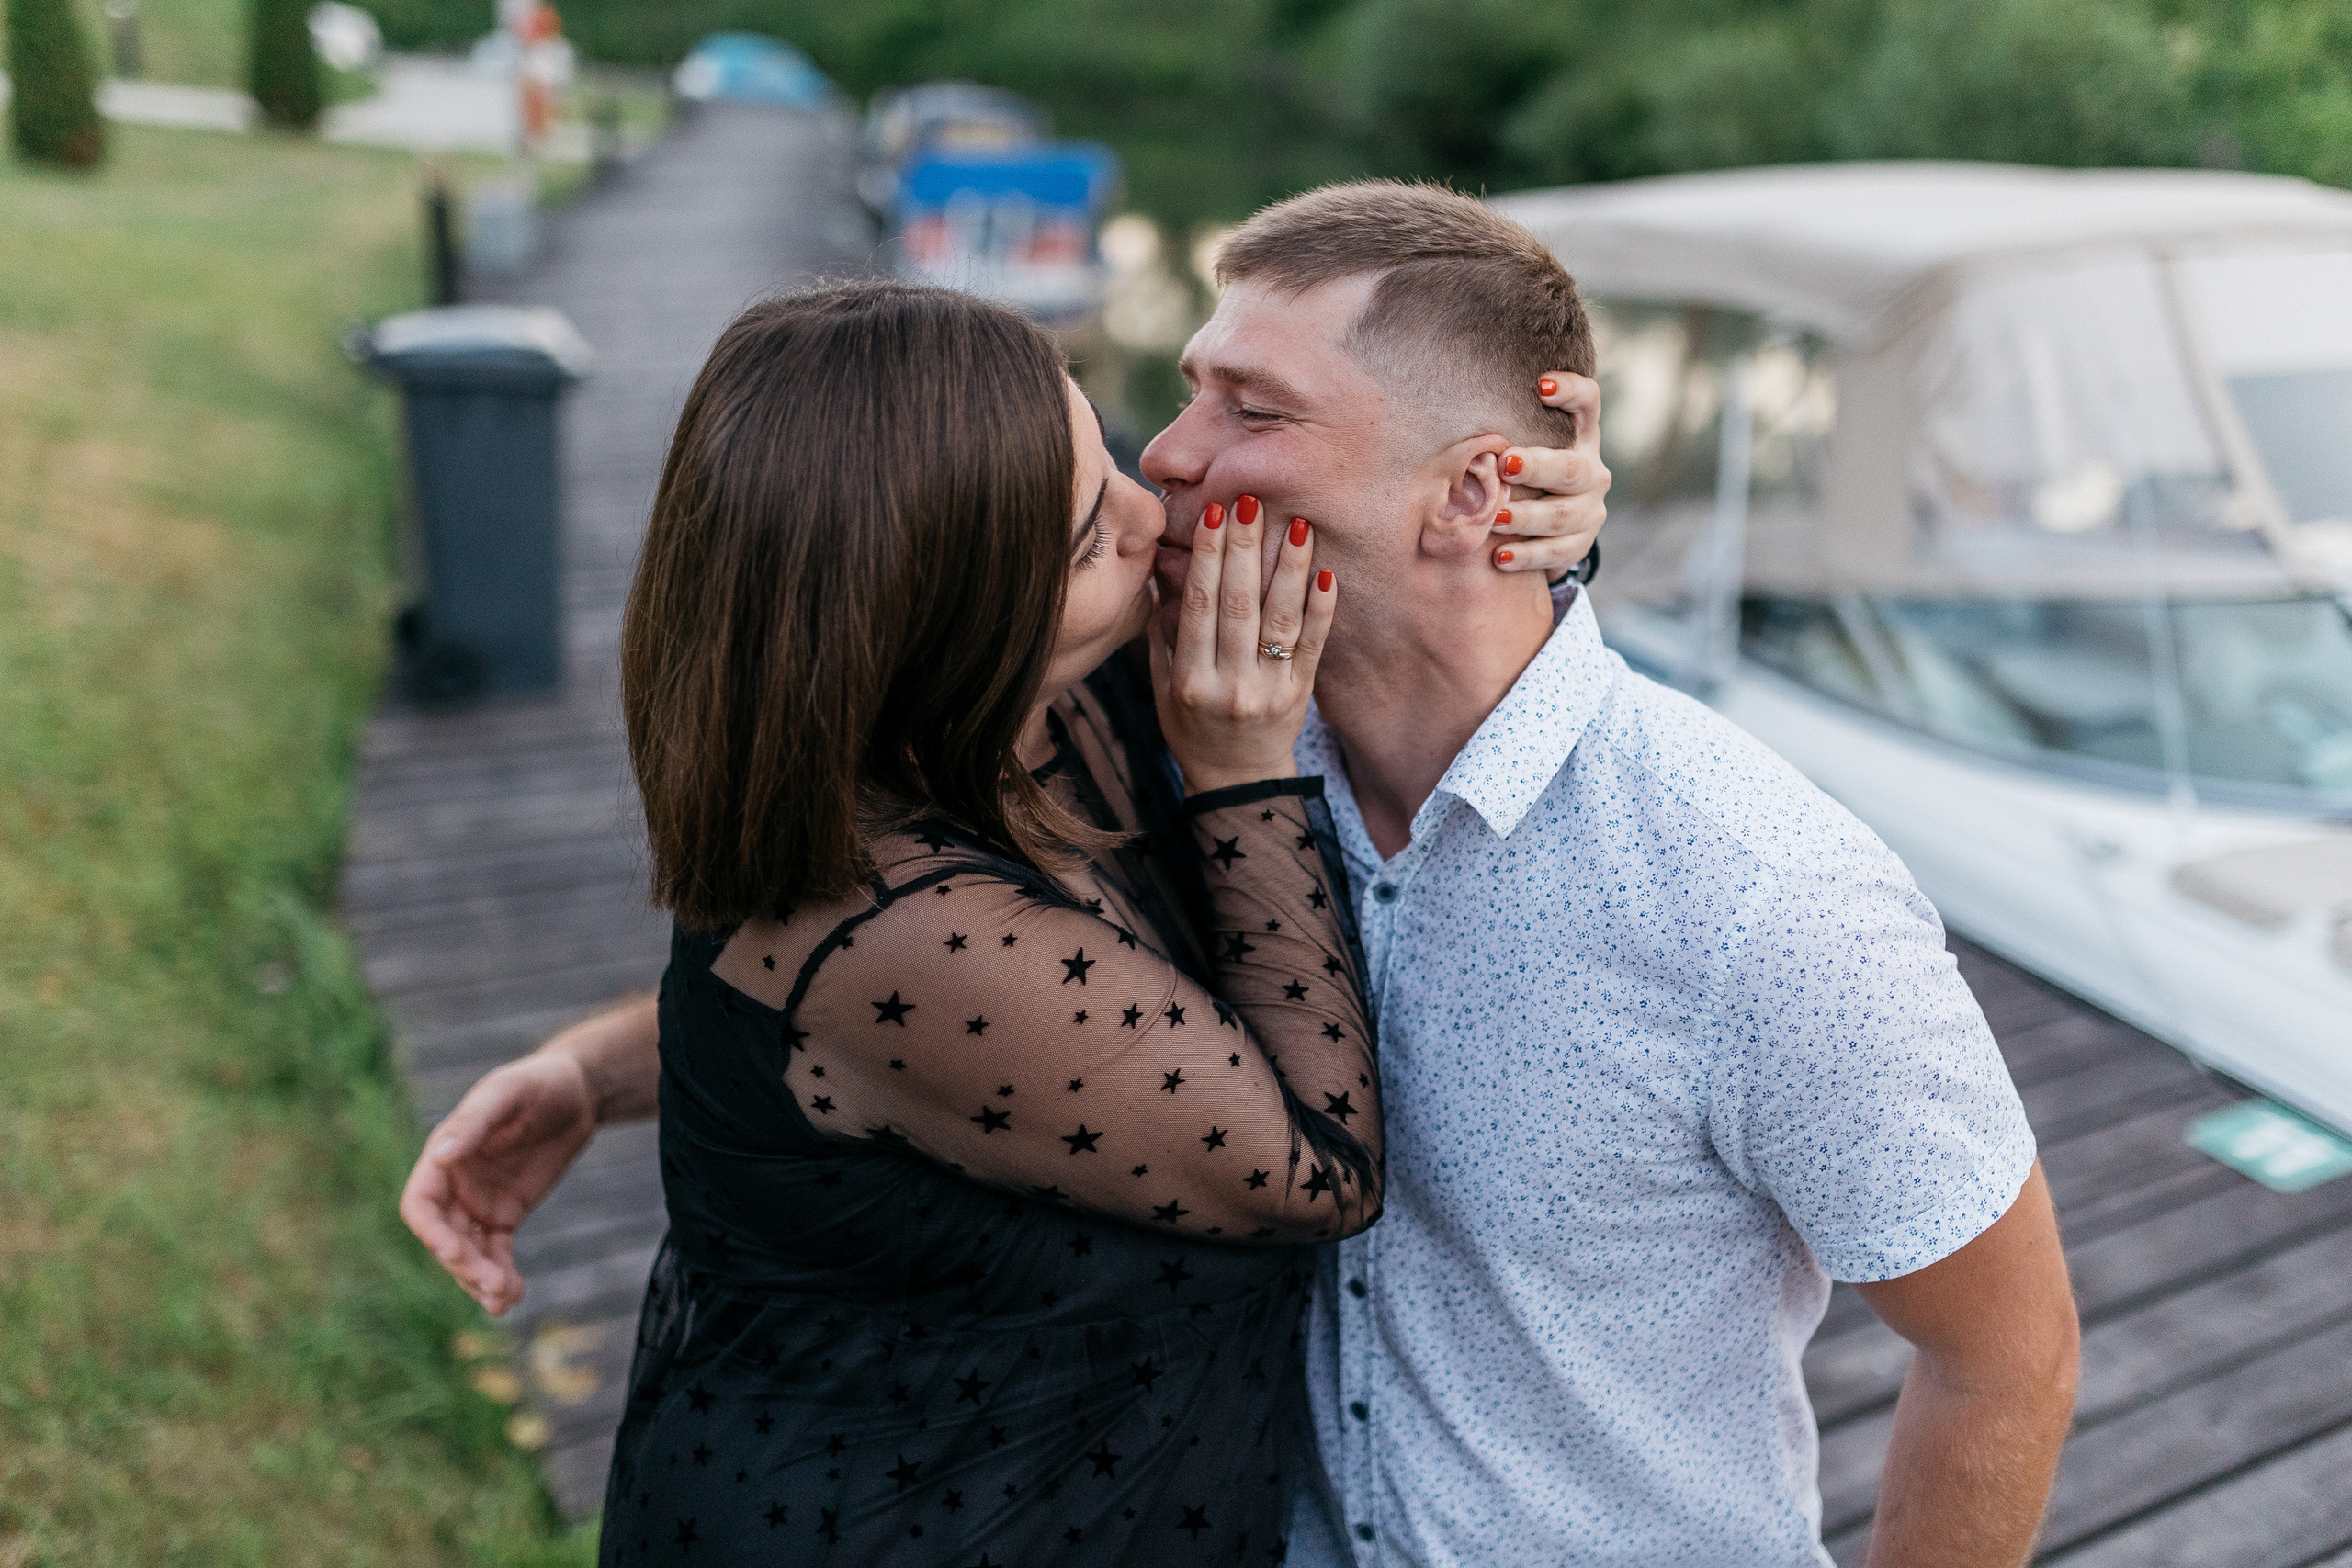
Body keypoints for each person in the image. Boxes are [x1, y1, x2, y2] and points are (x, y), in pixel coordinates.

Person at [397, 276, 1593, 1564]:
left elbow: (806, 1029)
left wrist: (1511, 522)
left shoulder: (1003, 707)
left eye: (1103, 453)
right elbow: (1321, 1168)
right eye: (1084, 541)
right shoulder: (900, 918)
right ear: (943, 631)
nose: (1149, 510)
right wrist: (1243, 773)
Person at [1136, 180, 2081, 1568]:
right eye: (1190, 392)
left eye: (1251, 410)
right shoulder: (1183, 755)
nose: (1166, 455)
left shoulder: (1763, 893)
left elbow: (2006, 1360)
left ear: (1477, 490)